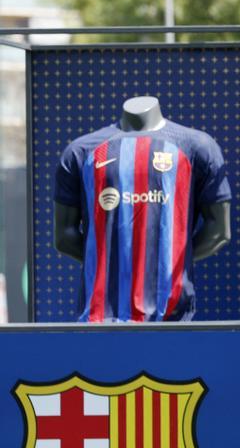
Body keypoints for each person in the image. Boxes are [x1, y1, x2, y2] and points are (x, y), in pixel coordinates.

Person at [54, 96, 231, 322]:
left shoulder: (197, 147)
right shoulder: (81, 152)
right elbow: (64, 236)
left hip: (172, 318)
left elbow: (220, 230)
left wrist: (172, 261)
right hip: (99, 319)